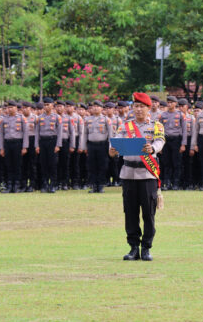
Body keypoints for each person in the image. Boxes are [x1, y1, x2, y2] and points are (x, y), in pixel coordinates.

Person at [109, 92, 165, 261]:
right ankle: (133, 247)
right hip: (128, 174)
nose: (139, 109)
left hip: (147, 174)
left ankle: (146, 247)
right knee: (130, 213)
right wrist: (112, 150)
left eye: (142, 107)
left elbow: (160, 141)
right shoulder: (124, 126)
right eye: (136, 106)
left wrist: (153, 148)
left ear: (149, 108)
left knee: (149, 212)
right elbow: (115, 141)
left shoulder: (156, 126)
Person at [80, 100, 112, 193]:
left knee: (102, 165)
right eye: (94, 106)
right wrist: (84, 147)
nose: (95, 108)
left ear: (102, 108)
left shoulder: (106, 119)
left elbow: (110, 134)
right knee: (91, 166)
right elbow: (84, 134)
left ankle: (101, 185)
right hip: (91, 145)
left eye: (97, 106)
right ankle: (93, 185)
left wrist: (110, 146)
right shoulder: (87, 119)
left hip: (103, 145)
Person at [0, 100, 29, 193]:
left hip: (17, 143)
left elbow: (25, 133)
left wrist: (25, 147)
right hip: (7, 143)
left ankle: (16, 185)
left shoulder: (21, 118)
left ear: (16, 108)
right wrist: (1, 148)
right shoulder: (4, 119)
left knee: (17, 165)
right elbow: (1, 134)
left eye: (11, 107)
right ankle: (9, 185)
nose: (9, 109)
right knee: (8, 165)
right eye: (8, 107)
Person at [159, 96, 187, 190]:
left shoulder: (180, 115)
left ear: (175, 103)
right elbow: (160, 130)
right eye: (168, 102)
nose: (169, 104)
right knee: (166, 163)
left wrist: (183, 144)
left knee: (177, 163)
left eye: (171, 102)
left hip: (176, 140)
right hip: (166, 140)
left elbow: (184, 130)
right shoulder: (163, 115)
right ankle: (167, 183)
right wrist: (160, 145)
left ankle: (176, 183)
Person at [35, 97, 63, 193]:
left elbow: (60, 133)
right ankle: (45, 184)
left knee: (53, 164)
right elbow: (37, 132)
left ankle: (53, 184)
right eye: (45, 105)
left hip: (53, 141)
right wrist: (37, 145)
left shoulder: (57, 117)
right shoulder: (39, 118)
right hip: (43, 142)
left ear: (52, 106)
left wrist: (58, 145)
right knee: (43, 164)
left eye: (48, 105)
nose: (46, 106)